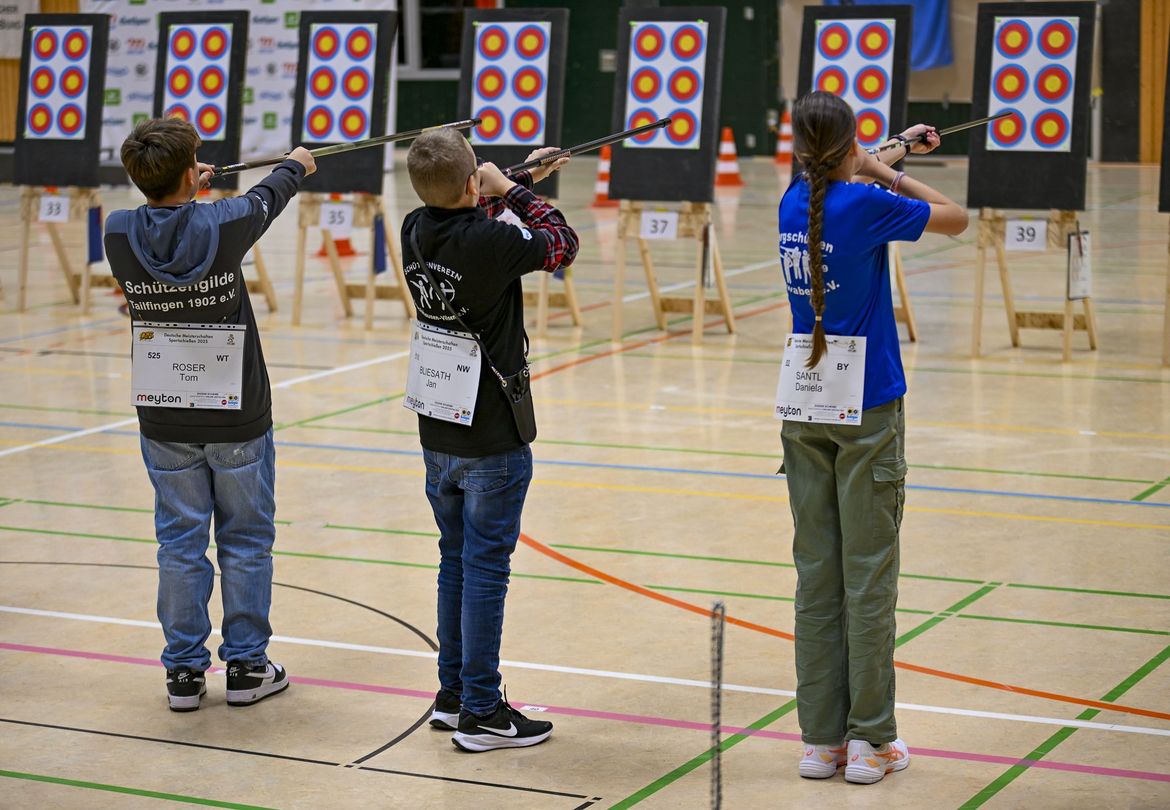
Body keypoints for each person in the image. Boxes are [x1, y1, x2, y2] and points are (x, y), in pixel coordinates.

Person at [776, 92, 968, 783]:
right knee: (868, 578)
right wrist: (890, 168)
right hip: (867, 407)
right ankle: (872, 742)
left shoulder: (792, 204)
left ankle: (820, 741)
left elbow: (831, 182)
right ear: (850, 147)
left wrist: (880, 152)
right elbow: (956, 219)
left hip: (802, 407)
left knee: (817, 577)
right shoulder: (867, 203)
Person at [104, 118, 316, 711]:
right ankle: (247, 667)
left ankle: (184, 675)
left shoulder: (118, 232)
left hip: (165, 417)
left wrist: (185, 186)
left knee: (179, 545)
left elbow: (178, 218)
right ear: (188, 175)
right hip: (236, 416)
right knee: (246, 539)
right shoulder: (222, 223)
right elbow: (268, 196)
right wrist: (296, 162)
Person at [401, 129, 577, 752]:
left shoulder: (413, 227)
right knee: (485, 571)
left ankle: (453, 695)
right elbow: (559, 244)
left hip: (438, 429)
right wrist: (516, 191)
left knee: (456, 559)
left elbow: (463, 208)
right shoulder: (492, 238)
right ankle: (480, 709)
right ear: (475, 186)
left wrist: (517, 179)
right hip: (492, 434)